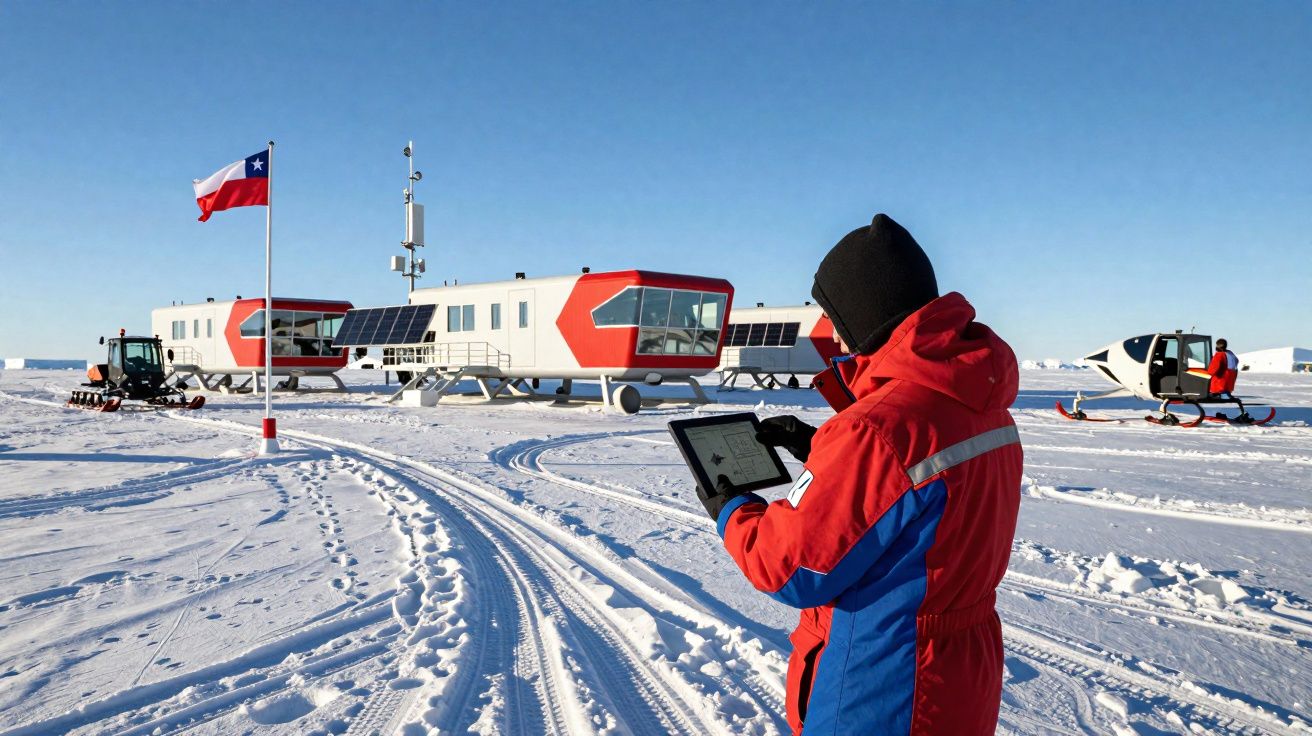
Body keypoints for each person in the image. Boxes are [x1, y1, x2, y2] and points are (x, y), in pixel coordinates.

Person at [694, 214, 1023, 735]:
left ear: (863, 311)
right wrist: (820, 451)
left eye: (832, 313)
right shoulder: (982, 402)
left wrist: (732, 509)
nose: (829, 330)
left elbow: (790, 568)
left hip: (884, 683)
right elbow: (920, 498)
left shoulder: (876, 430)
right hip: (962, 675)